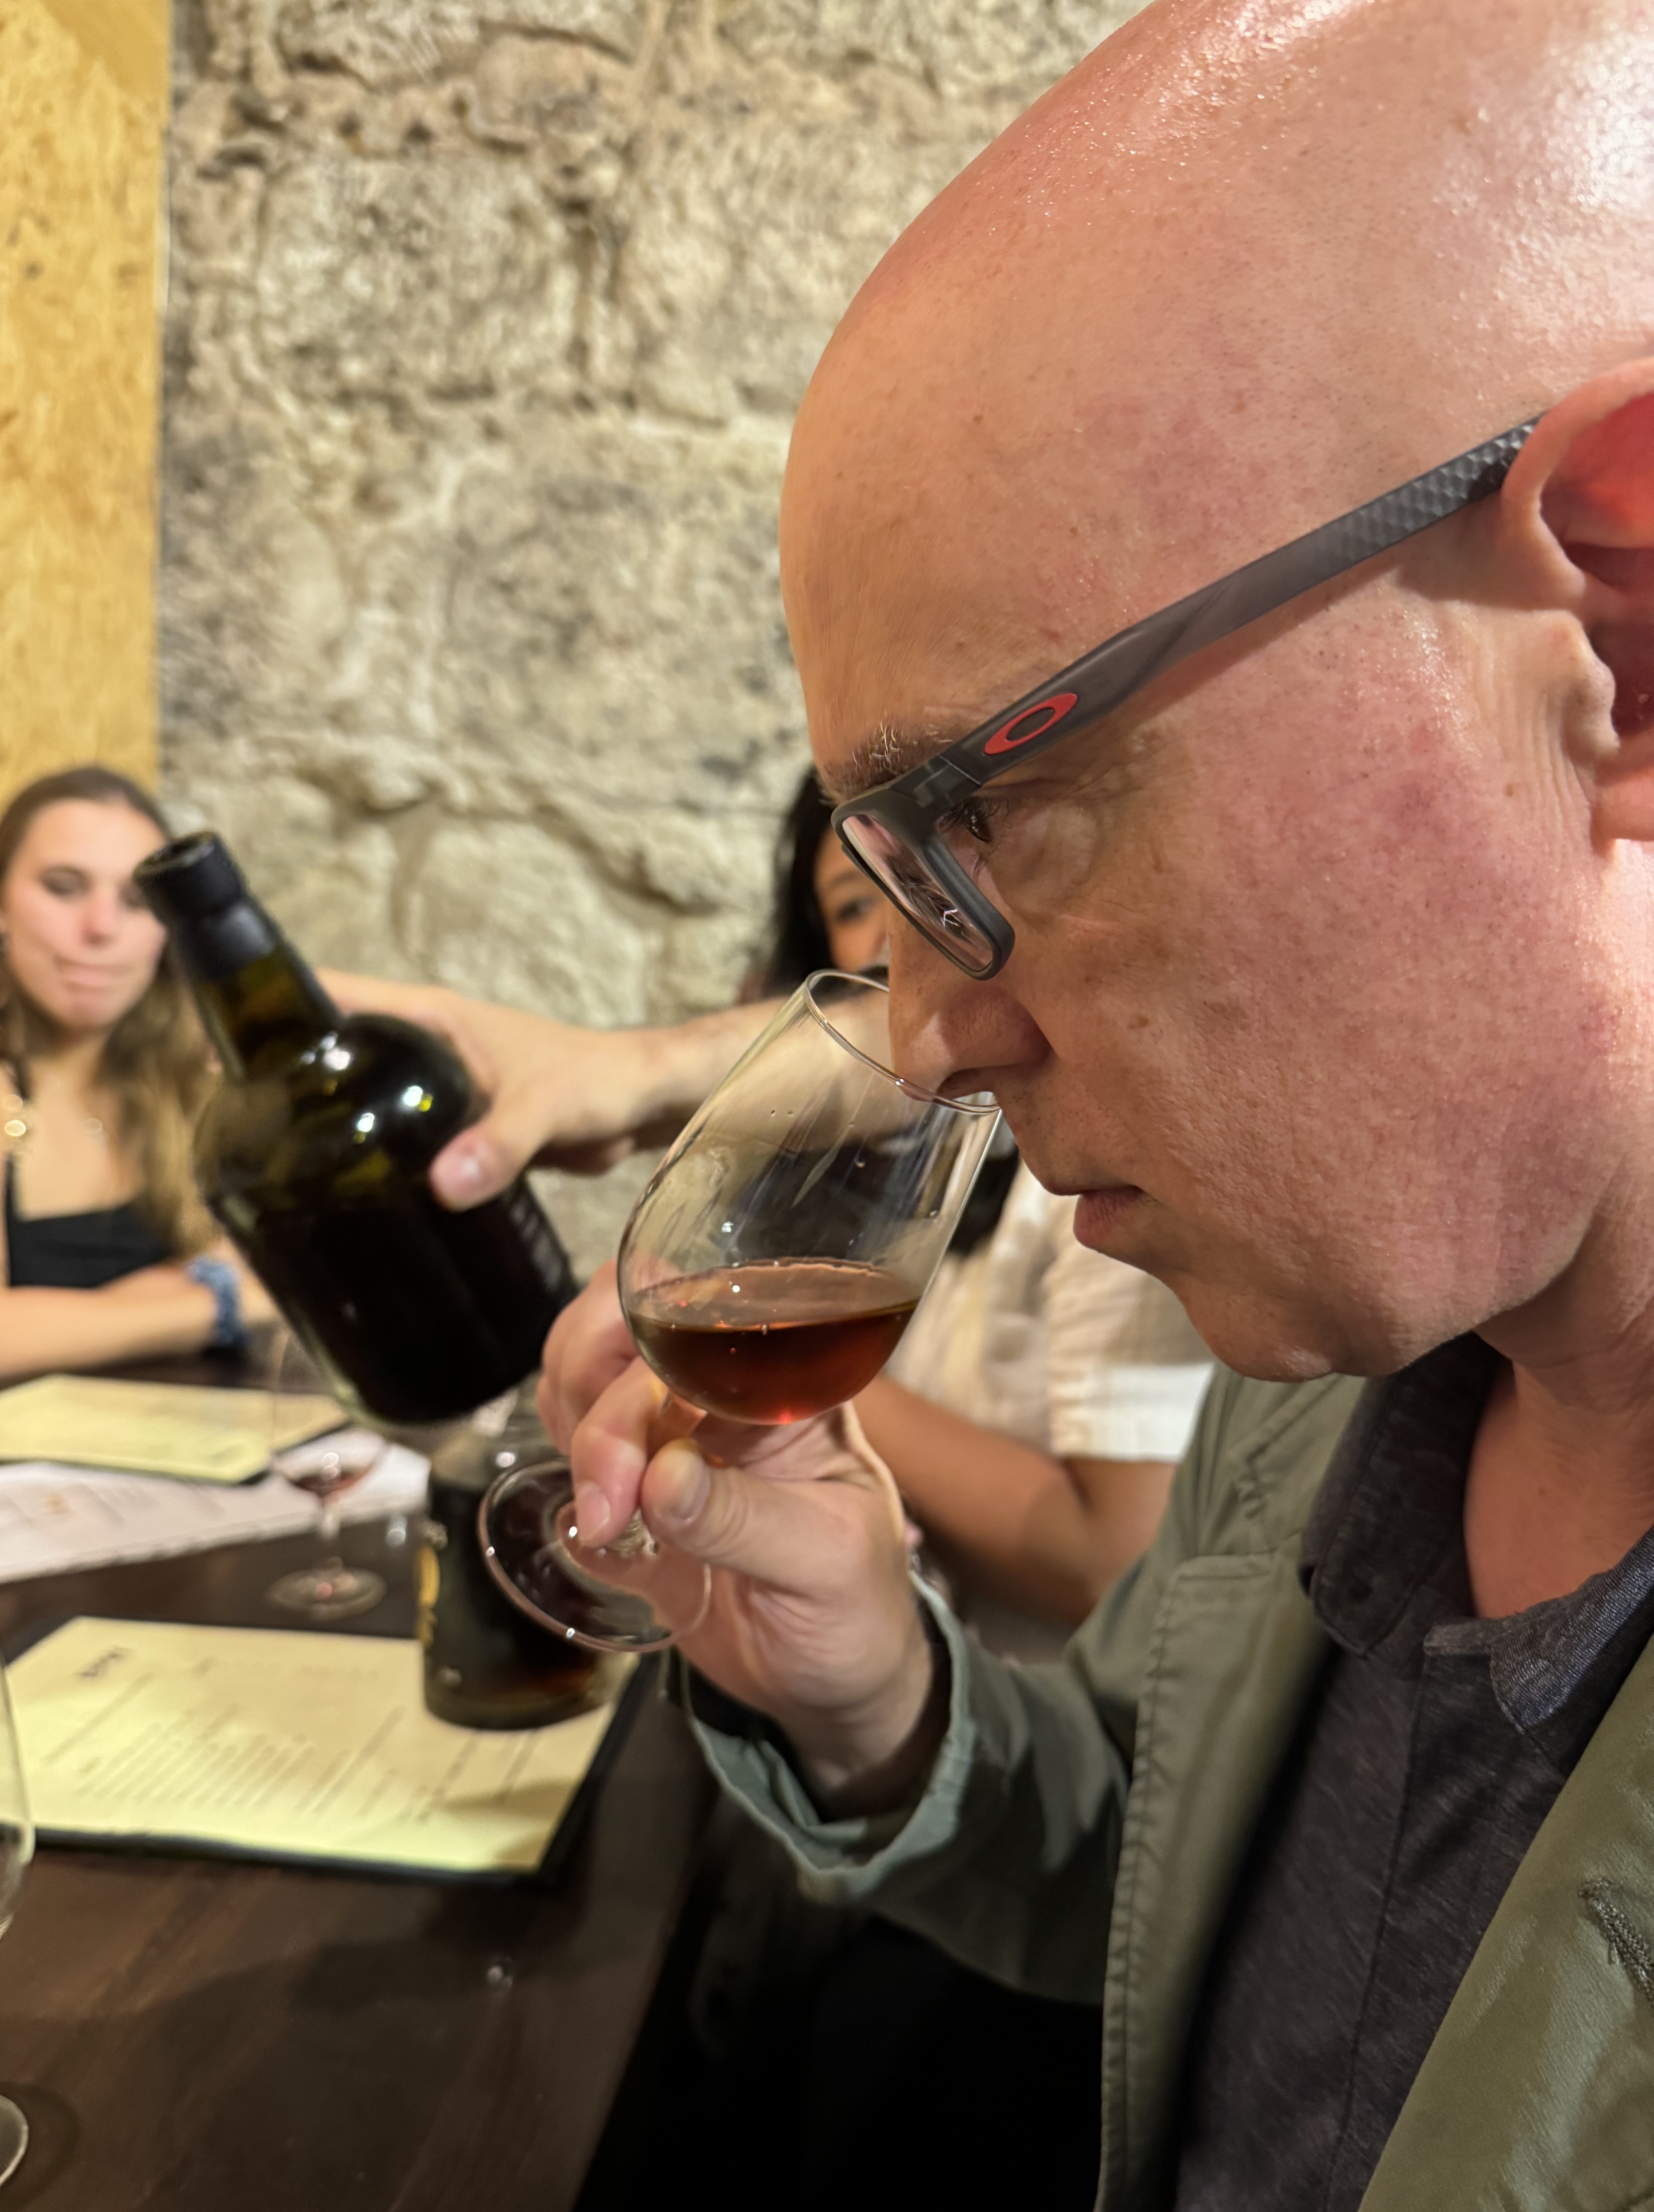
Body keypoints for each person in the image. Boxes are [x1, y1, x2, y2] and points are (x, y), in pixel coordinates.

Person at [517, 0, 1654, 2201]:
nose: (926, 1032)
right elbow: (1162, 1884)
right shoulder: (1329, 1377)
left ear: (1620, 621)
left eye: (997, 811)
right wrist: (878, 1703)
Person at [763, 766, 1213, 1638]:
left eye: (929, 883)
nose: (898, 939)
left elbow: (1114, 1567)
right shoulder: (885, 1173)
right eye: (857, 904)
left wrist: (796, 1359)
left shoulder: (1091, 1175)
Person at [0, 767, 270, 1380]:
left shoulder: (194, 1078)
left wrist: (80, 1323)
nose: (102, 927)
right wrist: (218, 1301)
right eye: (64, 888)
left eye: (137, 901)